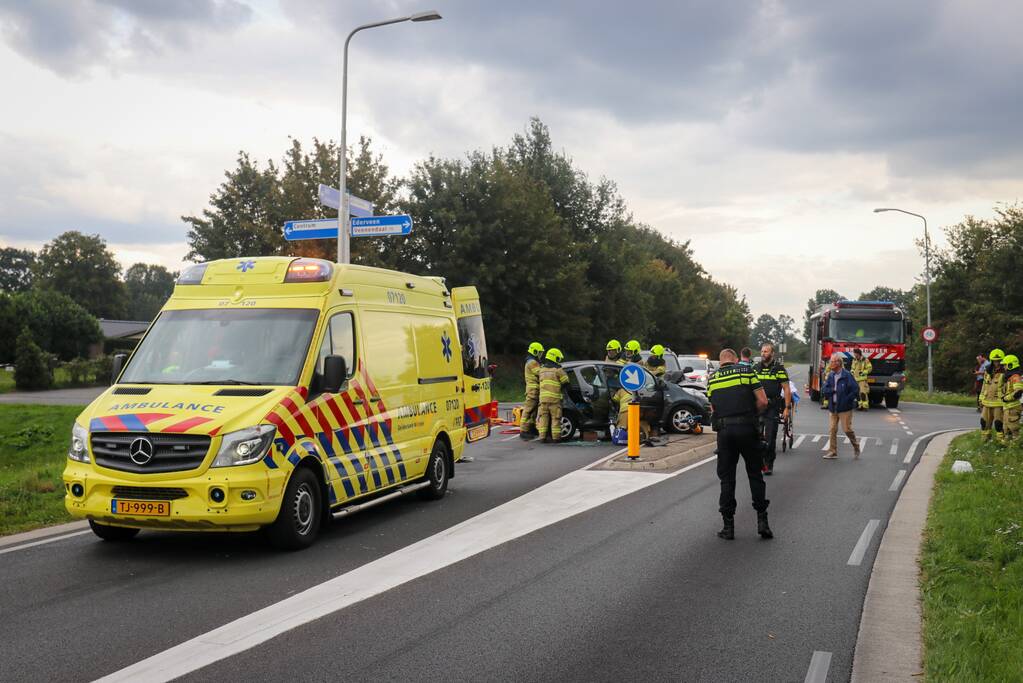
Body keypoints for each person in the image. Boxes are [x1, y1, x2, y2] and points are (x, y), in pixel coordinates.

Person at [707, 348, 772, 540]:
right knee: (755, 474)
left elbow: (713, 408)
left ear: (720, 362)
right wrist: (753, 415)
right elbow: (763, 401)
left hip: (725, 433)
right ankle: (762, 522)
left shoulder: (712, 379)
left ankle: (728, 527)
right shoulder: (747, 371)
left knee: (727, 479)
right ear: (735, 359)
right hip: (747, 429)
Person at [753, 343, 791, 475]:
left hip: (772, 407)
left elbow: (786, 388)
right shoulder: (755, 368)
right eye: (762, 351)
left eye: (766, 351)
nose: (763, 353)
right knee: (755, 436)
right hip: (757, 406)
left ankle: (768, 464)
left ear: (772, 353)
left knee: (770, 437)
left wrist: (786, 408)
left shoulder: (779, 369)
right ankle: (759, 462)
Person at [822, 352, 861, 459]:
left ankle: (856, 446)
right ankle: (832, 451)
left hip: (845, 408)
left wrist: (847, 399)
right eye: (830, 361)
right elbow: (824, 389)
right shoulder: (830, 375)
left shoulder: (847, 375)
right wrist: (832, 391)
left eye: (832, 362)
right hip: (833, 407)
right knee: (832, 429)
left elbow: (855, 389)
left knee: (847, 429)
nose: (830, 364)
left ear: (838, 363)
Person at [535, 348, 569, 443]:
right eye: (558, 358)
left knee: (543, 418)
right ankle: (556, 438)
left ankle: (542, 437)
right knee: (556, 419)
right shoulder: (558, 370)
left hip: (543, 400)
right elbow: (566, 382)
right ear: (555, 358)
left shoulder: (541, 370)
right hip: (554, 400)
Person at [980, 348, 1006, 443]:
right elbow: (984, 385)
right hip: (987, 401)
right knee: (984, 422)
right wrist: (981, 398)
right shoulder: (988, 371)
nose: (997, 363)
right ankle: (985, 441)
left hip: (998, 403)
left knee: (998, 423)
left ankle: (1001, 442)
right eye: (995, 361)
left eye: (999, 361)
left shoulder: (1005, 372)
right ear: (992, 361)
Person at [519, 342, 544, 440]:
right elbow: (540, 373)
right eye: (539, 352)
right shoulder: (532, 362)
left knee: (533, 412)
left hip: (535, 390)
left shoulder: (533, 361)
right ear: (535, 351)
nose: (540, 355)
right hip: (533, 390)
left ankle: (531, 428)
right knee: (528, 411)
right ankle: (523, 431)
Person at [1000, 354, 1022, 444]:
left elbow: (1018, 392)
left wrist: (1006, 398)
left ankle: (1015, 448)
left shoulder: (1016, 377)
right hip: (1008, 408)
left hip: (1013, 408)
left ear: (1010, 365)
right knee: (1006, 429)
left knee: (1013, 429)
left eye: (1005, 365)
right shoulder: (1009, 377)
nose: (1004, 367)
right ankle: (1006, 448)